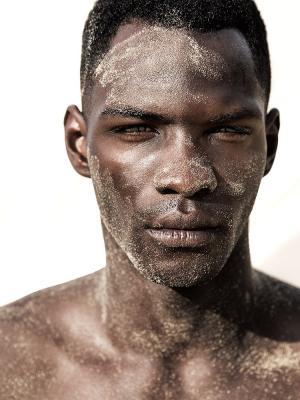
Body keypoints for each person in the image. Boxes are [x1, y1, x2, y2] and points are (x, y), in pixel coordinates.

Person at [0, 0, 299, 398]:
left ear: (270, 145)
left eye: (227, 130)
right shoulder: (11, 363)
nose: (186, 177)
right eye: (137, 129)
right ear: (78, 145)